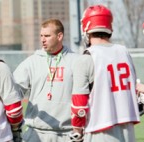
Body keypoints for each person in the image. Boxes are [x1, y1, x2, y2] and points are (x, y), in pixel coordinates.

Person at [71, 5, 140, 142]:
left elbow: (79, 104)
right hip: (128, 130)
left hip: (100, 130)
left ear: (86, 28)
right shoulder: (124, 52)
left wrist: (77, 131)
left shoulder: (86, 58)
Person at [13, 19, 80, 142]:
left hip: (68, 133)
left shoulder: (76, 61)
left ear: (59, 36)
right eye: (41, 36)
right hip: (36, 133)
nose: (42, 40)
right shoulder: (32, 62)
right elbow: (13, 92)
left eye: (47, 36)